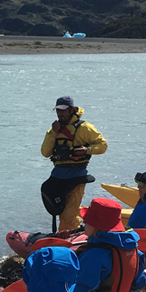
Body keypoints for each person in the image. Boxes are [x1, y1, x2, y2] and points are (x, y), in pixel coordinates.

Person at [40, 95, 108, 232]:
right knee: (61, 211)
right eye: (58, 110)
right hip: (58, 176)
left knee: (70, 215)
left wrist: (87, 150)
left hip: (76, 176)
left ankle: (70, 239)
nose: (60, 114)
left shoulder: (85, 128)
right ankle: (64, 236)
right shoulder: (54, 130)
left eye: (63, 110)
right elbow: (45, 152)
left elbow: (103, 145)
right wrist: (53, 133)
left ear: (72, 110)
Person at [73, 198, 146, 292]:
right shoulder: (133, 249)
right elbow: (140, 282)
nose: (84, 222)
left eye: (87, 220)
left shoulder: (94, 255)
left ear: (97, 226)